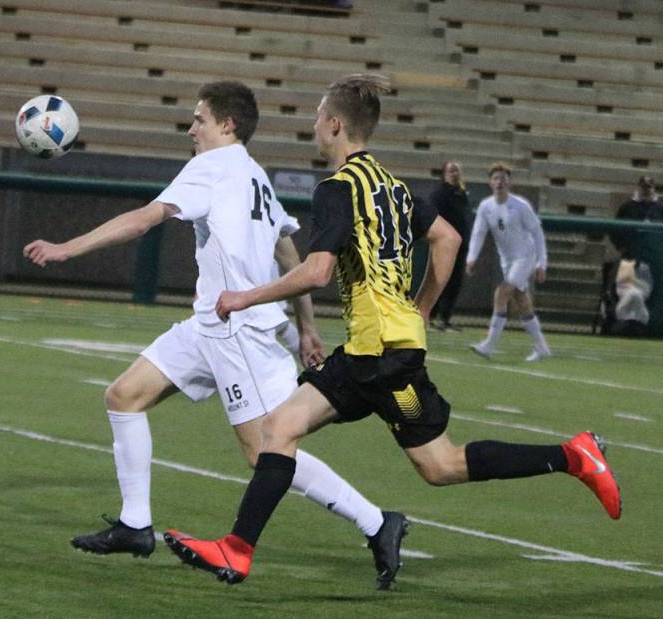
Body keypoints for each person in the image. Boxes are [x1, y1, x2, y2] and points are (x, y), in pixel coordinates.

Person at [163, 74, 621, 588]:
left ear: (335, 125)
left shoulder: (336, 189)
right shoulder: (393, 186)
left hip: (377, 359)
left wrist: (244, 296)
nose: (315, 125)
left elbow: (316, 272)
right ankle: (572, 455)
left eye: (318, 117)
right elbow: (446, 237)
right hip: (381, 353)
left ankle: (236, 549)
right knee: (371, 449)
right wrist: (421, 307)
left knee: (349, 445)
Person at [24, 81, 406, 588]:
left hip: (238, 333)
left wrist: (68, 248)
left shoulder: (212, 167)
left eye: (199, 119)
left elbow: (145, 220)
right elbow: (286, 249)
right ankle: (135, 524)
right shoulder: (253, 174)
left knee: (267, 450)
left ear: (227, 125)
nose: (191, 129)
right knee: (123, 396)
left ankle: (378, 522)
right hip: (210, 325)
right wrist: (307, 324)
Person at [466, 163, 551, 362]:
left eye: (503, 179)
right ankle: (542, 348)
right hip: (508, 260)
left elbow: (537, 233)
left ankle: (489, 344)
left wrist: (542, 263)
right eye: (496, 179)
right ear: (490, 182)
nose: (499, 182)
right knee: (521, 300)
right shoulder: (486, 207)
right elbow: (478, 233)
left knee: (502, 292)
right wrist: (471, 257)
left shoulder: (520, 205)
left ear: (509, 183)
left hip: (525, 256)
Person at [429, 161, 470, 331]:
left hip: (460, 244)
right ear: (445, 174)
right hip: (445, 244)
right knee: (440, 280)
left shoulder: (461, 193)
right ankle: (430, 316)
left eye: (457, 171)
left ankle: (444, 318)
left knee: (455, 282)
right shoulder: (440, 194)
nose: (455, 174)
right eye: (451, 171)